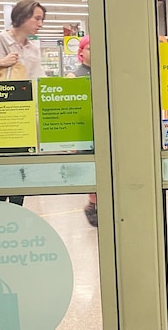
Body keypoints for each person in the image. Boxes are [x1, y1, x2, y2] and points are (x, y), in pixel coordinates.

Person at [0, 0, 46, 206]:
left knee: (21, 171)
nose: (40, 24)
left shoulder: (33, 48)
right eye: (37, 18)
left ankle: (15, 212)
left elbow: (37, 80)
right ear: (22, 16)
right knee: (1, 169)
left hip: (23, 118)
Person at [66, 35, 97, 226]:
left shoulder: (107, 74)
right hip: (85, 131)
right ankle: (93, 205)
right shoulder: (74, 76)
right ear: (81, 52)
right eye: (89, 48)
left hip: (103, 129)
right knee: (90, 170)